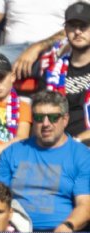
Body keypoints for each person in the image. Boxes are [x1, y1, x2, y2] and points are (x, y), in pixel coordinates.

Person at [0, 90, 90, 233]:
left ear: (65, 119)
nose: (45, 124)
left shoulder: (82, 155)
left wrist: (68, 225)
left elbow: (85, 205)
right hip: (15, 232)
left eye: (53, 117)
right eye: (39, 117)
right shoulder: (13, 152)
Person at [39, 3, 90, 144]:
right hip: (55, 146)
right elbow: (40, 118)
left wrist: (75, 142)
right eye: (73, 26)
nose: (78, 31)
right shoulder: (50, 75)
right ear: (66, 30)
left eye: (83, 26)